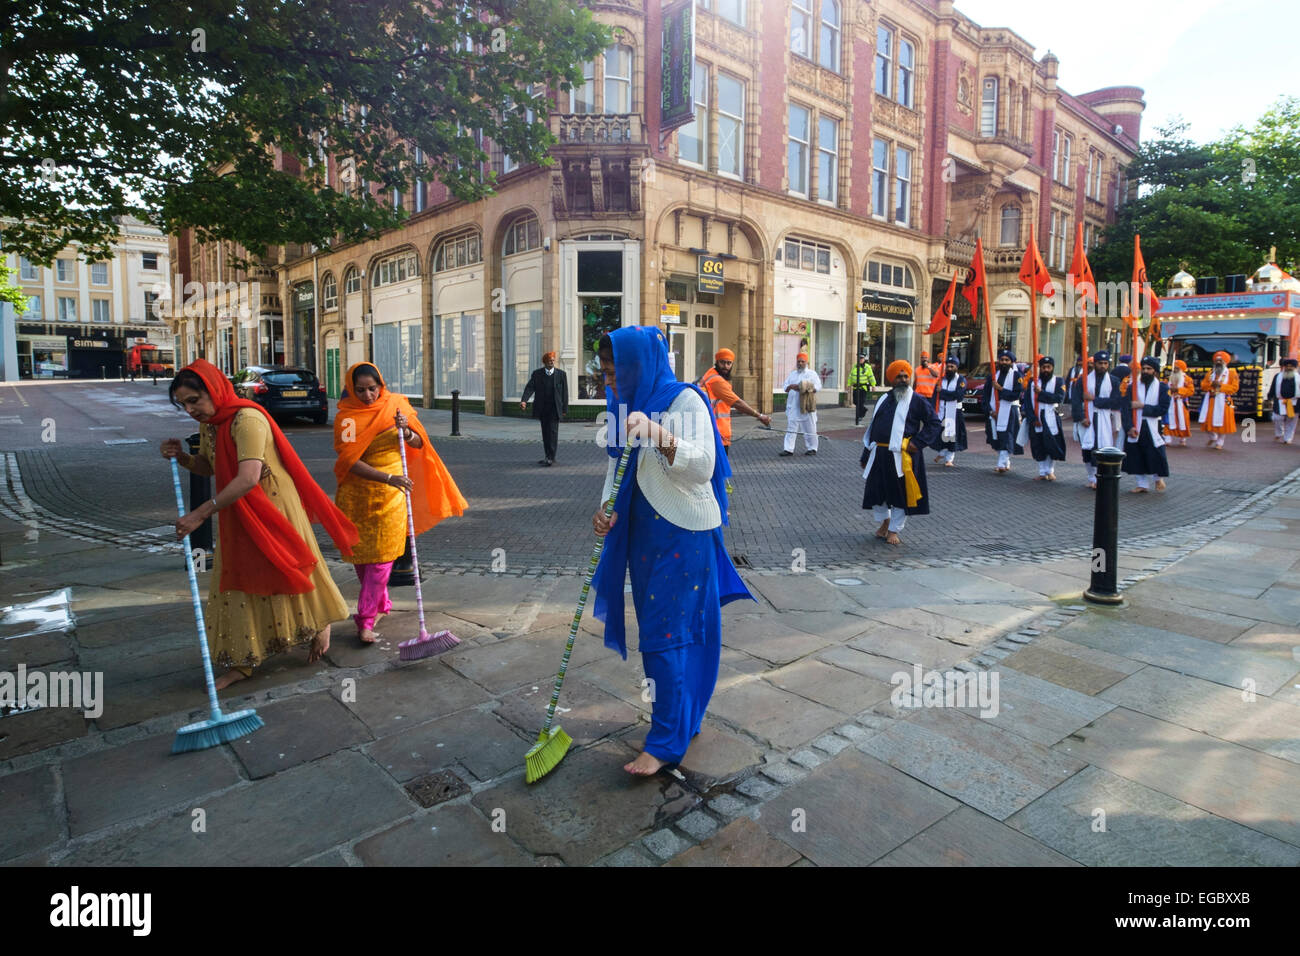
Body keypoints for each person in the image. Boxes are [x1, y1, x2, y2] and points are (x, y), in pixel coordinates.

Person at [589, 326, 752, 776]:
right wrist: (604, 509)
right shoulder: (623, 404)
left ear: (637, 366)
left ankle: (664, 743)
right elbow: (615, 465)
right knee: (668, 629)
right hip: (642, 534)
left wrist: (660, 434)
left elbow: (704, 466)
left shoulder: (685, 400)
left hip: (683, 533)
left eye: (613, 374)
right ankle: (683, 719)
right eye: (603, 375)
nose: (608, 384)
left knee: (664, 637)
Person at [160, 359, 359, 690]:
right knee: (239, 580)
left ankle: (319, 622)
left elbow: (248, 477)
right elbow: (209, 467)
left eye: (194, 400)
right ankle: (243, 659)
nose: (191, 409)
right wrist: (181, 458)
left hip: (274, 506)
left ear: (213, 390)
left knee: (288, 567)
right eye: (184, 405)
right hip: (235, 509)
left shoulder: (247, 418)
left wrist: (200, 514)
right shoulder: (213, 424)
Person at [333, 363, 467, 644]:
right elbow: (348, 462)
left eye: (373, 388)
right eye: (361, 390)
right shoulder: (347, 418)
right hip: (357, 496)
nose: (368, 395)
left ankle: (365, 620)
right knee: (362, 560)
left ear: (381, 385)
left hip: (393, 496)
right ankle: (381, 605)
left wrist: (406, 431)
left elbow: (420, 444)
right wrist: (387, 477)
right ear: (351, 389)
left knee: (383, 560)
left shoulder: (396, 406)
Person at [859, 360, 942, 546]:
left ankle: (894, 530)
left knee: (900, 495)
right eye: (899, 377)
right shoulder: (883, 399)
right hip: (879, 454)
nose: (903, 380)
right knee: (876, 492)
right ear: (891, 379)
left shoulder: (917, 400)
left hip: (903, 456)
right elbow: (873, 429)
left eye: (906, 376)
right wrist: (865, 455)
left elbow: (934, 424)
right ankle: (885, 522)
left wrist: (917, 443)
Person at [698, 348, 772, 455]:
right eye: (722, 362)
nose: (726, 366)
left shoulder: (710, 374)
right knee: (721, 471)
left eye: (729, 363)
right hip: (717, 434)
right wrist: (759, 415)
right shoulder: (716, 380)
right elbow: (737, 403)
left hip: (713, 433)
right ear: (717, 362)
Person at [1070, 350, 1125, 489]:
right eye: (1100, 363)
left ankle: (1100, 477)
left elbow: (1116, 402)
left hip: (1104, 419)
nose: (1102, 366)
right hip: (1087, 419)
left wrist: (1095, 400)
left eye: (1105, 363)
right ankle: (1091, 477)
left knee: (1102, 448)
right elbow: (1076, 401)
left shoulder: (1114, 381)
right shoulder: (1084, 380)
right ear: (1094, 364)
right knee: (1087, 450)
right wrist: (1081, 418)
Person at [1121, 355, 1171, 493]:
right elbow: (1125, 408)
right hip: (1136, 425)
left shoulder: (1162, 388)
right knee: (1136, 454)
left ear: (1154, 371)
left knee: (1155, 454)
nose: (1145, 371)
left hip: (1152, 425)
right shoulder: (1133, 387)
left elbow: (1162, 409)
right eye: (1143, 368)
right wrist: (1129, 426)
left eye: (1148, 369)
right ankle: (1142, 483)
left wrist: (1142, 406)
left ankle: (1157, 478)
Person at [1023, 355, 1067, 481]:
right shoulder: (1033, 382)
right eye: (1043, 367)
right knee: (1039, 444)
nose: (1046, 370)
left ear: (1052, 368)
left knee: (1052, 444)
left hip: (1051, 416)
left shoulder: (1059, 382)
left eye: (1048, 367)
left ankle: (1050, 470)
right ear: (1040, 368)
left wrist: (1041, 393)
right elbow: (1028, 401)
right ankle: (1042, 471)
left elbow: (1059, 398)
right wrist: (1032, 418)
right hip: (1037, 418)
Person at [521, 351, 568, 466]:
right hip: (542, 408)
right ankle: (547, 456)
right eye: (549, 360)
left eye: (553, 360)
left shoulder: (561, 374)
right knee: (545, 433)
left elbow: (564, 393)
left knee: (552, 432)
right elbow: (530, 387)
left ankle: (551, 457)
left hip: (555, 409)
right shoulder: (537, 374)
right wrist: (524, 400)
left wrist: (564, 409)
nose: (552, 362)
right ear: (545, 362)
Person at [982, 350, 1023, 474]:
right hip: (993, 412)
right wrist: (990, 411)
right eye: (1002, 360)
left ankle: (1001, 463)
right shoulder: (992, 376)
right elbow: (986, 396)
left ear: (1011, 362)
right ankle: (1005, 461)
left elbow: (1016, 395)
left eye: (1007, 360)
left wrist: (1001, 389)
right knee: (996, 437)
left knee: (1007, 436)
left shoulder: (1017, 376)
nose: (1004, 362)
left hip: (1009, 411)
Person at [781, 352, 821, 456]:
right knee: (791, 427)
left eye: (802, 361)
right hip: (793, 406)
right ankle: (788, 449)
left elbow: (817, 387)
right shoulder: (792, 374)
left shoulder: (812, 374)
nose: (800, 363)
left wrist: (803, 387)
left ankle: (812, 448)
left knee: (810, 427)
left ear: (806, 362)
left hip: (806, 405)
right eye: (798, 361)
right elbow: (785, 386)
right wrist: (791, 387)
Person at [1199, 350, 1239, 450]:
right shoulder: (1210, 373)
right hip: (1211, 400)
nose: (1218, 362)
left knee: (1223, 422)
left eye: (1220, 361)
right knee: (1206, 421)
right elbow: (1203, 385)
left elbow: (1234, 388)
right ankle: (1213, 437)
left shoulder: (1231, 373)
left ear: (1225, 362)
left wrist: (1220, 386)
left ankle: (1220, 442)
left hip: (1225, 401)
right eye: (1217, 360)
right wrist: (1211, 385)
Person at [932, 355, 967, 467]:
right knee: (941, 433)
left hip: (954, 411)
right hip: (942, 410)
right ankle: (942, 452)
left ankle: (949, 458)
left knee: (951, 435)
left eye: (952, 366)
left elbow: (958, 395)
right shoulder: (941, 380)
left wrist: (942, 393)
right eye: (948, 366)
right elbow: (935, 395)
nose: (949, 369)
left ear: (956, 367)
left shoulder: (961, 380)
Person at [1166, 359, 1195, 446]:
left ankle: (1183, 437)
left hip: (1181, 403)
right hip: (1170, 403)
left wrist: (1179, 390)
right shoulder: (1169, 379)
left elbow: (1191, 391)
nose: (1175, 369)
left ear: (1182, 369)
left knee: (1183, 420)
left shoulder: (1188, 379)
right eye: (1174, 368)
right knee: (1168, 419)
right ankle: (1167, 438)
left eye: (1177, 368)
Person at [1270, 357, 1298, 444]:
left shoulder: (1298, 377)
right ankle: (1279, 432)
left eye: (1291, 367)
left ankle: (1288, 438)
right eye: (1287, 366)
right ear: (1284, 367)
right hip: (1280, 402)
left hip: (1294, 402)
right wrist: (1269, 397)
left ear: (1295, 368)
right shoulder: (1277, 376)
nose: (1289, 368)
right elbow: (1273, 388)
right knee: (1277, 418)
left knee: (1291, 421)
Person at [849, 352, 877, 425]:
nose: (860, 360)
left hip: (863, 388)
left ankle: (860, 416)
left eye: (861, 358)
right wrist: (849, 384)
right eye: (859, 358)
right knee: (855, 401)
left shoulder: (867, 367)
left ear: (864, 359)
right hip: (855, 387)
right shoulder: (855, 366)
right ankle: (863, 410)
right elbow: (851, 375)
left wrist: (873, 385)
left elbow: (871, 376)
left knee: (860, 402)